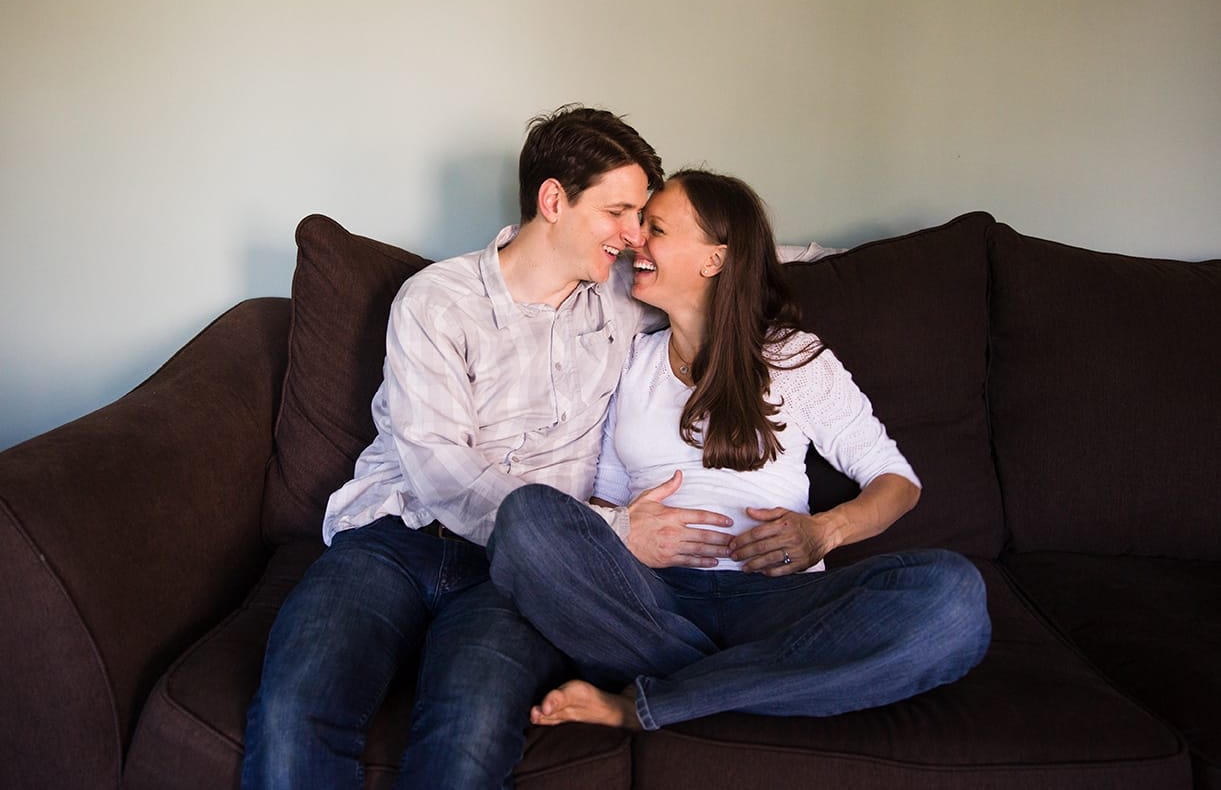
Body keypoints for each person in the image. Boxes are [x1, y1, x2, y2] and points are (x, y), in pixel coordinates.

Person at [241, 105, 673, 790]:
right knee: (295, 708)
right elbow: (442, 471)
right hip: (393, 534)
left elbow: (743, 266)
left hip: (514, 575)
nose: (634, 235)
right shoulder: (436, 300)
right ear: (553, 199)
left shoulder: (624, 296)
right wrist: (612, 529)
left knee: (467, 735)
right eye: (617, 211)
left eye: (641, 216)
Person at [488, 169, 992, 732]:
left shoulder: (792, 359)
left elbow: (895, 480)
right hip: (652, 602)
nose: (635, 239)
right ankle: (733, 684)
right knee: (525, 518)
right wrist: (627, 524)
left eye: (655, 228)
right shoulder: (630, 360)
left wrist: (823, 531)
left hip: (777, 603)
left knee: (953, 597)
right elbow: (598, 499)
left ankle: (653, 701)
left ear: (715, 259)